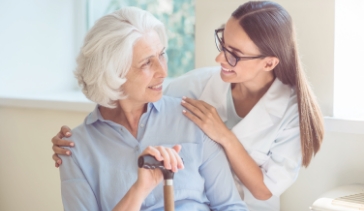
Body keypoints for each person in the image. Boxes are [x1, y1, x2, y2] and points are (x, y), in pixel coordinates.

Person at [52, 1, 324, 211]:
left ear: (268, 63)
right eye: (148, 62)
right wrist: (77, 141)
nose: (162, 71)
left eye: (234, 55)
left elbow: (259, 192)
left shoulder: (198, 117)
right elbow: (123, 103)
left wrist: (224, 135)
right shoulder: (191, 92)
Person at [58, 6, 248, 211]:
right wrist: (140, 189)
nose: (163, 71)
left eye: (162, 55)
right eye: (147, 63)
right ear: (113, 73)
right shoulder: (76, 148)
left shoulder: (193, 118)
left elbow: (231, 206)